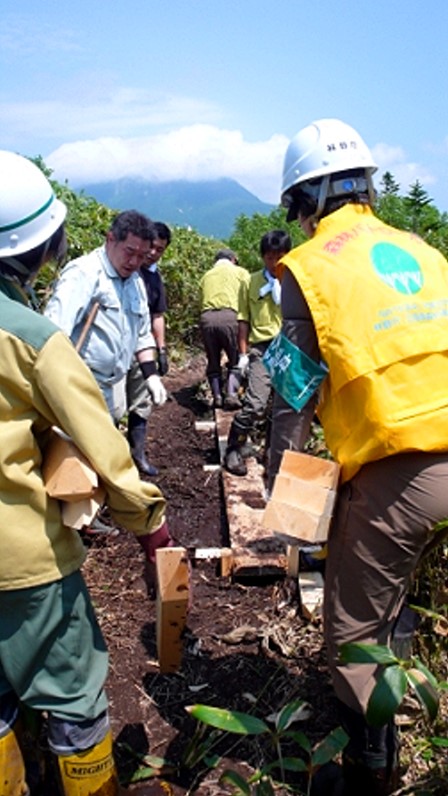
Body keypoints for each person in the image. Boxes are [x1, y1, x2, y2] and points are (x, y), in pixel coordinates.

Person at [271, 118, 448, 795]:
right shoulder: (423, 251)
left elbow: (292, 397)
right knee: (410, 599)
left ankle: (372, 770)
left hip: (396, 474)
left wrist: (282, 491)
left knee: (354, 634)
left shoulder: (308, 270)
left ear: (304, 200)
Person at [0, 150, 175, 795]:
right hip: (22, 557)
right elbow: (102, 446)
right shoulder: (30, 333)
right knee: (74, 695)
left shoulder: (130, 282)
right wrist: (146, 520)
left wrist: (149, 369)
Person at [45, 210, 167, 425]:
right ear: (110, 239)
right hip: (81, 386)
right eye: (130, 252)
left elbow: (142, 333)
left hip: (113, 385)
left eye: (142, 256)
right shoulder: (84, 274)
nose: (134, 261)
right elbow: (54, 331)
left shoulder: (135, 281)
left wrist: (151, 375)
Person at [224, 230, 292, 476]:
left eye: (280, 256)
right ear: (263, 256)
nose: (274, 263)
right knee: (256, 402)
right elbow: (243, 319)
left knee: (284, 405)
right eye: (270, 257)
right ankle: (233, 448)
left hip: (289, 347)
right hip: (262, 348)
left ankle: (272, 454)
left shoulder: (295, 281)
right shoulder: (250, 282)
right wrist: (243, 355)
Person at [126, 221, 172, 476]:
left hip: (143, 351)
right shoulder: (129, 270)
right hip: (117, 349)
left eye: (160, 250)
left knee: (142, 401)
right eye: (152, 247)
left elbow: (157, 315)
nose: (154, 253)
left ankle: (138, 454)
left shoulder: (154, 278)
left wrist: (161, 349)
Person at [199, 248, 250, 409]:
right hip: (230, 317)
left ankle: (217, 396)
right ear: (233, 259)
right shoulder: (241, 273)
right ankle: (232, 395)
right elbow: (249, 297)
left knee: (213, 360)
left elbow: (201, 301)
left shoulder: (206, 276)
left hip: (207, 318)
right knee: (236, 359)